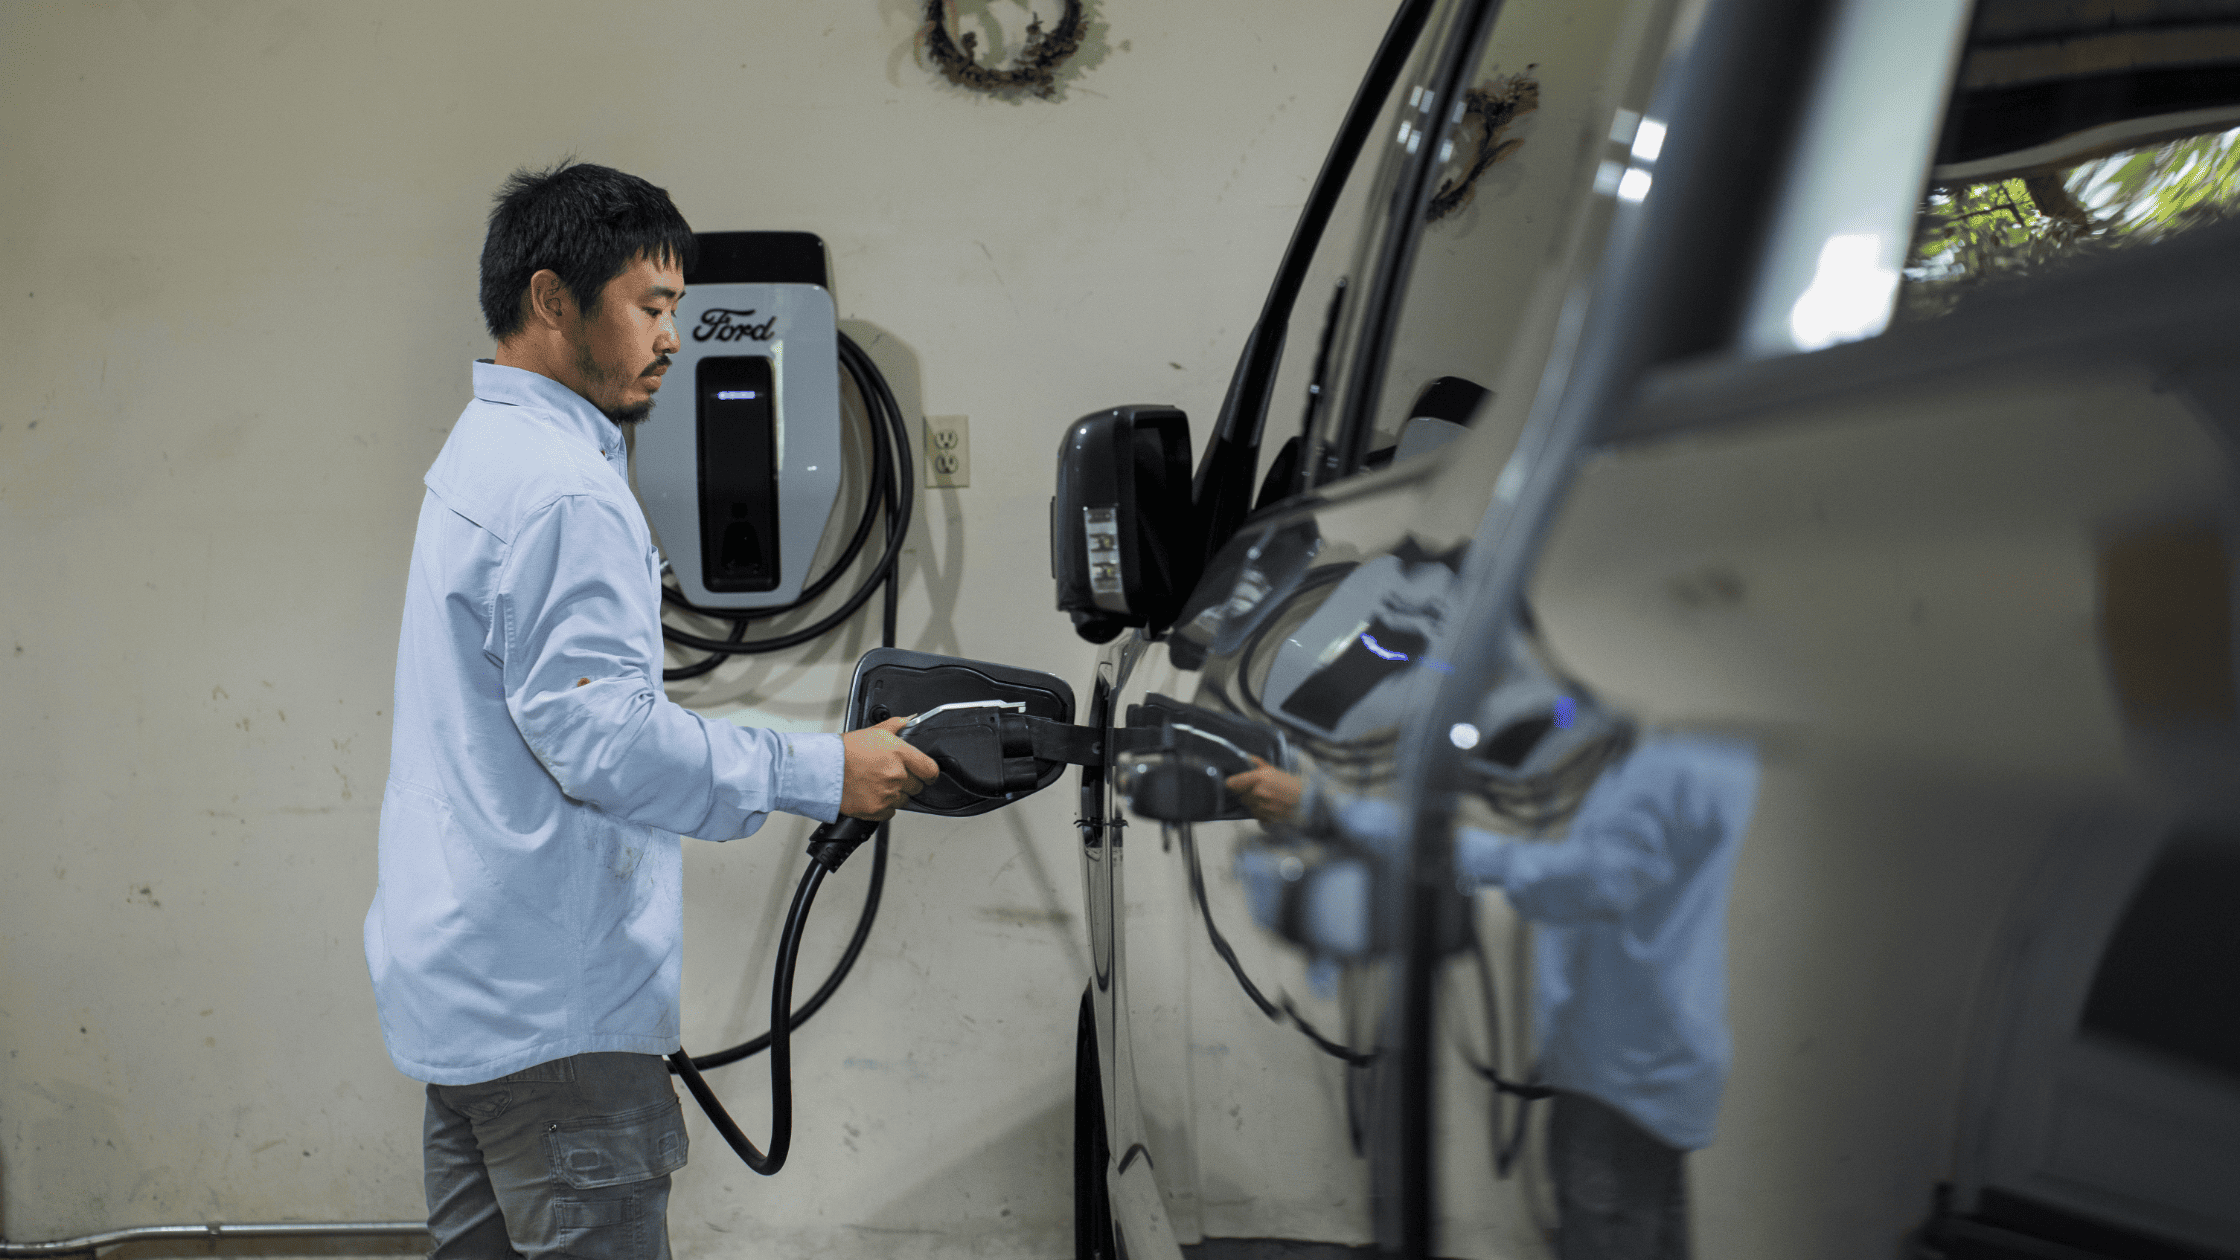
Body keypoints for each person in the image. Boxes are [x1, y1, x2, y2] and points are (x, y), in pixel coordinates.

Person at [363, 160, 940, 1260]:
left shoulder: (480, 453)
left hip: (465, 998)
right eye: (653, 305)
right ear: (550, 300)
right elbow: (608, 743)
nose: (676, 337)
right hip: (556, 1025)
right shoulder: (568, 493)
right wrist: (824, 770)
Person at [1227, 628, 1756, 1260]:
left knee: (1608, 1228)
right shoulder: (1690, 748)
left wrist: (1326, 808)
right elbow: (1571, 719)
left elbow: (1571, 880)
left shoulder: (1667, 769)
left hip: (1621, 1080)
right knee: (1649, 1226)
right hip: (1663, 1067)